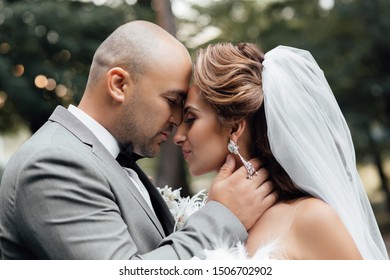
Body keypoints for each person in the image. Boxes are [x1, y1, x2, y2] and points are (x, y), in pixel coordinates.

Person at [0, 21, 278, 260]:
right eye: (172, 100)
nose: (177, 120)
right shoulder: (53, 163)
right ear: (119, 84)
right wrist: (223, 215)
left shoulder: (106, 158)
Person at [174, 42, 389, 260]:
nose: (177, 137)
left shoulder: (311, 219)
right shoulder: (203, 220)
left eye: (190, 119)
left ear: (235, 127)